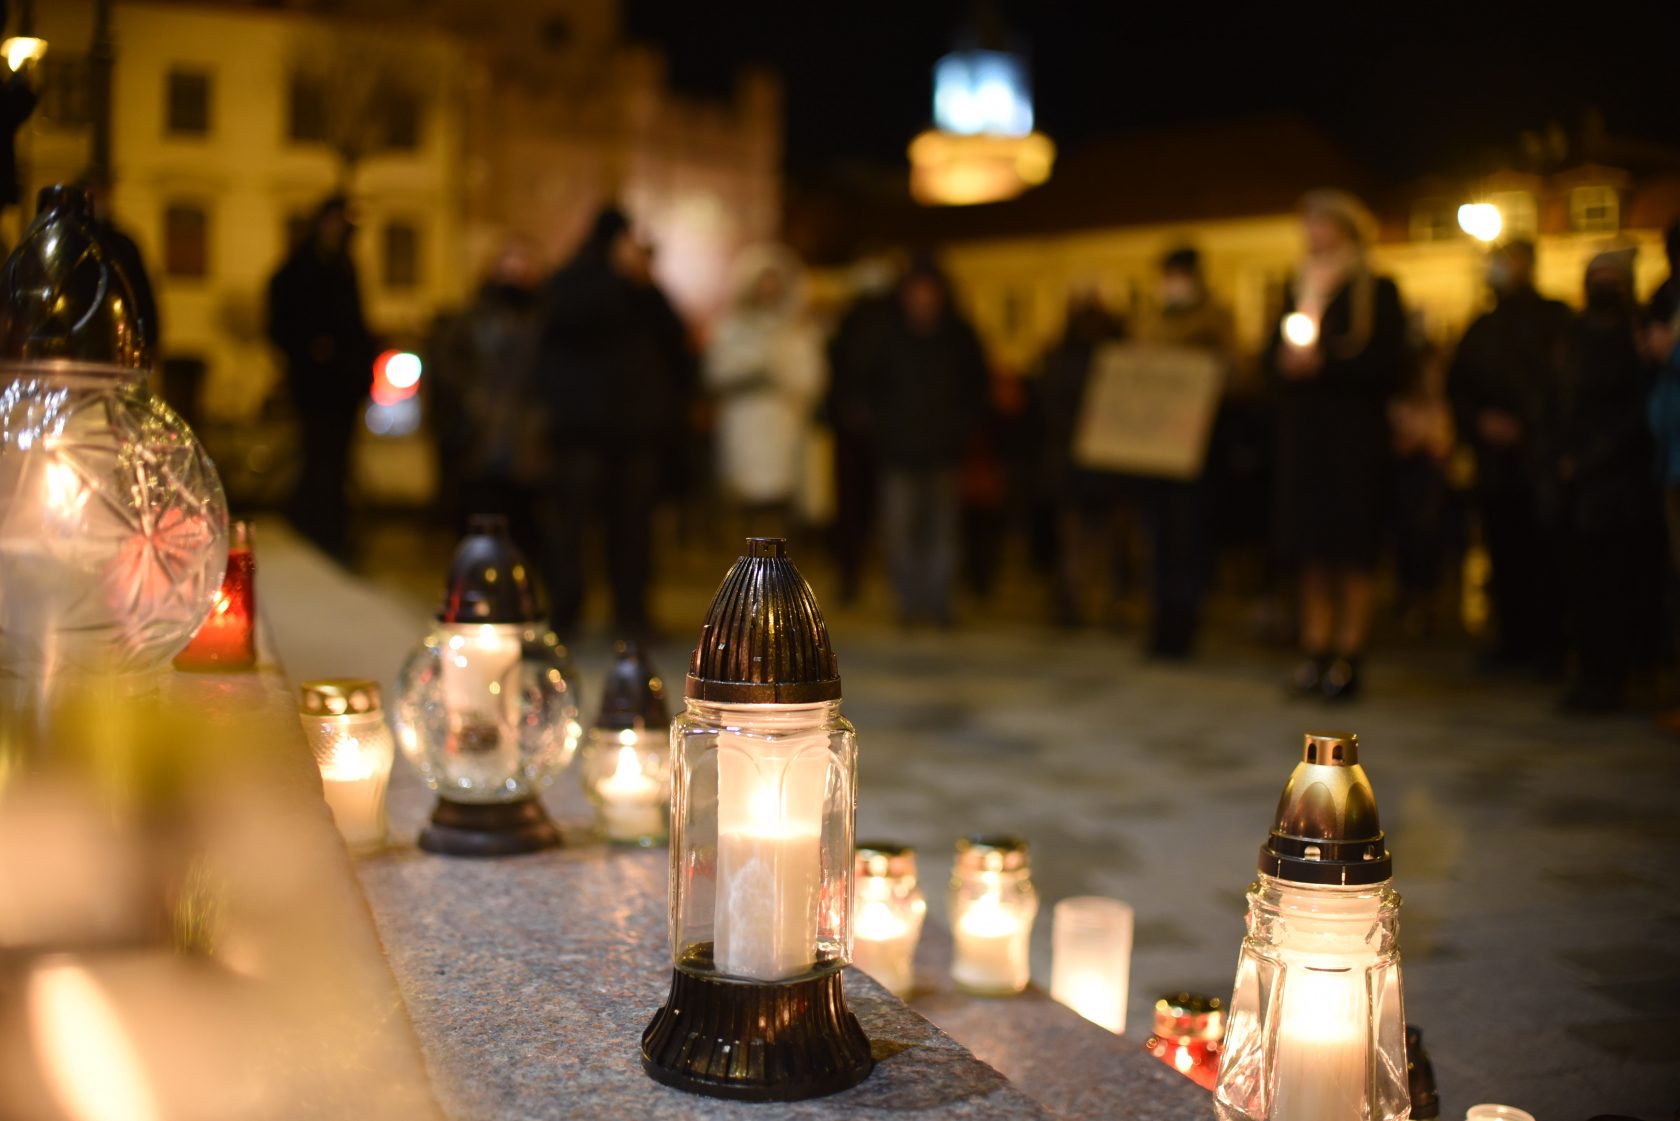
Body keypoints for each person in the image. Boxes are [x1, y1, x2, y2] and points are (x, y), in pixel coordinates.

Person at [1269, 190, 1408, 702]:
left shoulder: (1377, 291)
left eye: (1321, 224)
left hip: (1354, 437)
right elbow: (1270, 357)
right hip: (1306, 436)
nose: (1312, 235)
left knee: (1352, 546)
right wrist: (1286, 362)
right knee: (1312, 546)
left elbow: (1390, 362)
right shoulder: (1296, 288)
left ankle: (1350, 653)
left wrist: (1327, 364)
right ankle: (1316, 648)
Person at [535, 207, 693, 636]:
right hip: (582, 432)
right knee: (573, 529)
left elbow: (675, 343)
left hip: (637, 434)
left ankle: (632, 613)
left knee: (634, 530)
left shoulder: (646, 293)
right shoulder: (576, 283)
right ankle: (567, 610)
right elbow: (565, 324)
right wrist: (618, 279)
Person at [1538, 248, 1660, 712]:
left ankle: (1621, 673)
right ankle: (1591, 671)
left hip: (1622, 481)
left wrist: (1592, 458)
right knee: (1583, 582)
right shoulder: (1571, 335)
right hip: (1575, 483)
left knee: (1622, 582)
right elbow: (1554, 399)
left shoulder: (1637, 334)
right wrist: (1559, 456)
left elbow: (1639, 408)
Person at [1447, 240, 1571, 669]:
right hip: (1496, 466)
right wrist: (1480, 422)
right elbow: (1459, 387)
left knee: (1547, 555)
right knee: (1504, 552)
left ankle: (1550, 645)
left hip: (1541, 460)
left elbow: (1563, 386)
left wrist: (1531, 428)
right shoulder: (1482, 327)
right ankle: (1512, 640)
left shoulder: (1554, 318)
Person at [861, 258, 989, 626]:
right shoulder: (886, 336)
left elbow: (976, 388)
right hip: (898, 452)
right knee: (900, 531)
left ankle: (939, 601)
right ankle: (908, 602)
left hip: (943, 451)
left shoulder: (958, 337)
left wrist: (960, 429)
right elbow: (867, 387)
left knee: (943, 531)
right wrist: (881, 427)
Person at [1134, 247, 1240, 656]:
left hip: (1196, 447)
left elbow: (1235, 372)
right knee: (1158, 538)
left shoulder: (1214, 320)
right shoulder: (1152, 319)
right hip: (1154, 447)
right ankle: (1160, 619)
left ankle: (1184, 620)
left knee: (1188, 538)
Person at [266, 195, 375, 563]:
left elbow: (355, 324)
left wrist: (360, 364)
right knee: (317, 456)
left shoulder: (345, 266)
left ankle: (333, 531)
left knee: (338, 459)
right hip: (315, 383)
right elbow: (282, 321)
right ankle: (314, 529)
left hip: (344, 383)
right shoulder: (301, 269)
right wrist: (310, 350)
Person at [431, 238, 548, 551]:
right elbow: (448, 367)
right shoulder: (473, 319)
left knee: (523, 531)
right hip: (480, 439)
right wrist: (469, 402)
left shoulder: (542, 322)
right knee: (478, 523)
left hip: (526, 444)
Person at [704, 245, 825, 538]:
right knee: (748, 504)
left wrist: (781, 376)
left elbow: (811, 378)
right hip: (745, 425)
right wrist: (753, 371)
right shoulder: (733, 329)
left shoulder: (797, 331)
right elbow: (717, 372)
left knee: (780, 504)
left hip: (785, 425)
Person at [1036, 292, 1131, 628]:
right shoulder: (1102, 358)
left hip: (1093, 468)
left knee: (1098, 542)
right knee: (1085, 541)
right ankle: (1083, 603)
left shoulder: (1067, 359)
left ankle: (1090, 603)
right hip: (1082, 467)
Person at [826, 255, 899, 604]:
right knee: (857, 508)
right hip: (858, 431)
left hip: (881, 431)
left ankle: (863, 575)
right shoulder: (855, 324)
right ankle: (853, 574)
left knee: (869, 508)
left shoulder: (868, 324)